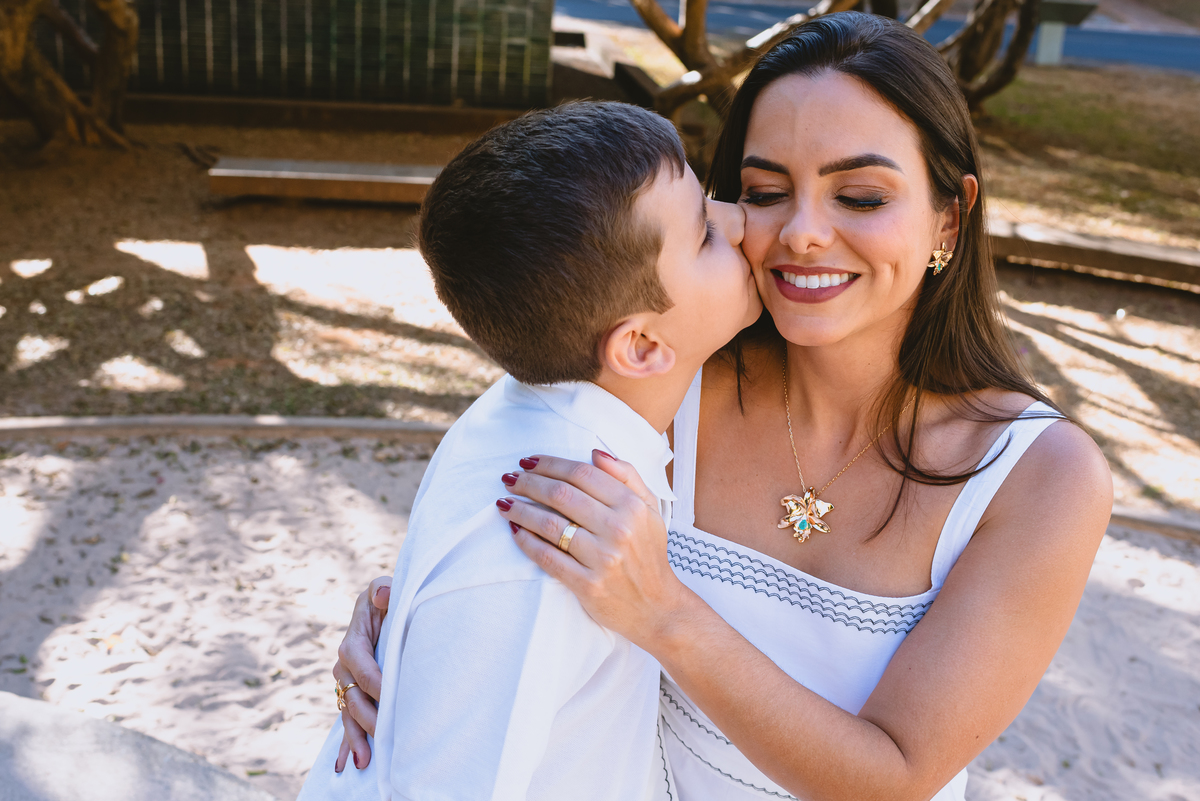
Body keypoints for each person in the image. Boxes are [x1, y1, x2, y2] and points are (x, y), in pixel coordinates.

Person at [332, 13, 1112, 801]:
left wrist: (664, 612)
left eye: (862, 195)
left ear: (950, 214)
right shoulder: (664, 379)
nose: (800, 233)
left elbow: (895, 776)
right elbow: (502, 507)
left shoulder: (1040, 477)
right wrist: (408, 630)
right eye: (766, 191)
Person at [296, 101, 761, 801]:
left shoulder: (549, 408)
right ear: (639, 346)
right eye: (704, 236)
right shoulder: (546, 538)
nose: (740, 220)